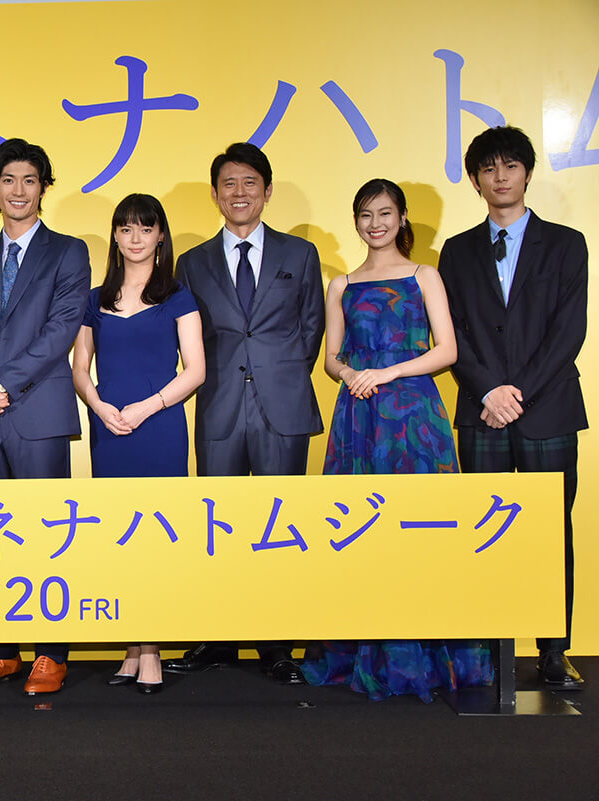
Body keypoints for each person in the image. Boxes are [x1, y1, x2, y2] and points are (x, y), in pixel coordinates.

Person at [301, 178, 491, 701]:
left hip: (414, 418)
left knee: (422, 529)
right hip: (358, 416)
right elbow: (331, 357)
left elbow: (447, 350)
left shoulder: (424, 275)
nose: (375, 223)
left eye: (385, 213)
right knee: (359, 530)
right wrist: (349, 374)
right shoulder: (341, 284)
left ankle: (428, 655)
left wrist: (387, 372)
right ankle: (364, 651)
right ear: (356, 221)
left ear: (402, 217)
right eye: (366, 214)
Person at [166, 142, 324, 685]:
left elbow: (311, 327)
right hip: (219, 405)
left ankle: (277, 643)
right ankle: (218, 637)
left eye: (249, 183)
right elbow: (188, 338)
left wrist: (280, 373)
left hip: (283, 405)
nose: (239, 193)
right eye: (228, 184)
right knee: (219, 527)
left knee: (280, 527)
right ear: (215, 195)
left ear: (267, 191)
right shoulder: (193, 263)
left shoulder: (300, 254)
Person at [439, 126, 588, 690]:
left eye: (510, 166)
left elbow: (569, 331)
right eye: (488, 168)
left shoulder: (567, 243)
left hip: (547, 409)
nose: (500, 177)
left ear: (527, 172)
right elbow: (452, 333)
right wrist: (487, 392)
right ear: (475, 180)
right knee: (484, 531)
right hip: (482, 412)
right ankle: (485, 650)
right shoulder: (457, 251)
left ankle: (553, 650)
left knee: (550, 532)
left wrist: (515, 393)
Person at [0, 138, 90, 695]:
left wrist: (4, 384)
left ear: (43, 188)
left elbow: (62, 328)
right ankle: (1, 652)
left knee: (47, 535)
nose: (18, 190)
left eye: (30, 180)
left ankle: (51, 654)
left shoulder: (68, 252)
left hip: (38, 412)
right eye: (8, 180)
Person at [71, 193, 205, 694]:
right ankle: (132, 646)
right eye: (126, 228)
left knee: (155, 540)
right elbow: (80, 368)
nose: (135, 238)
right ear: (115, 235)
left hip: (160, 427)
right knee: (119, 539)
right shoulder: (96, 298)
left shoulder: (178, 295)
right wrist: (98, 406)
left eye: (145, 229)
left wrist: (148, 407)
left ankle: (151, 649)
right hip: (110, 430)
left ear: (160, 236)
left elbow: (196, 370)